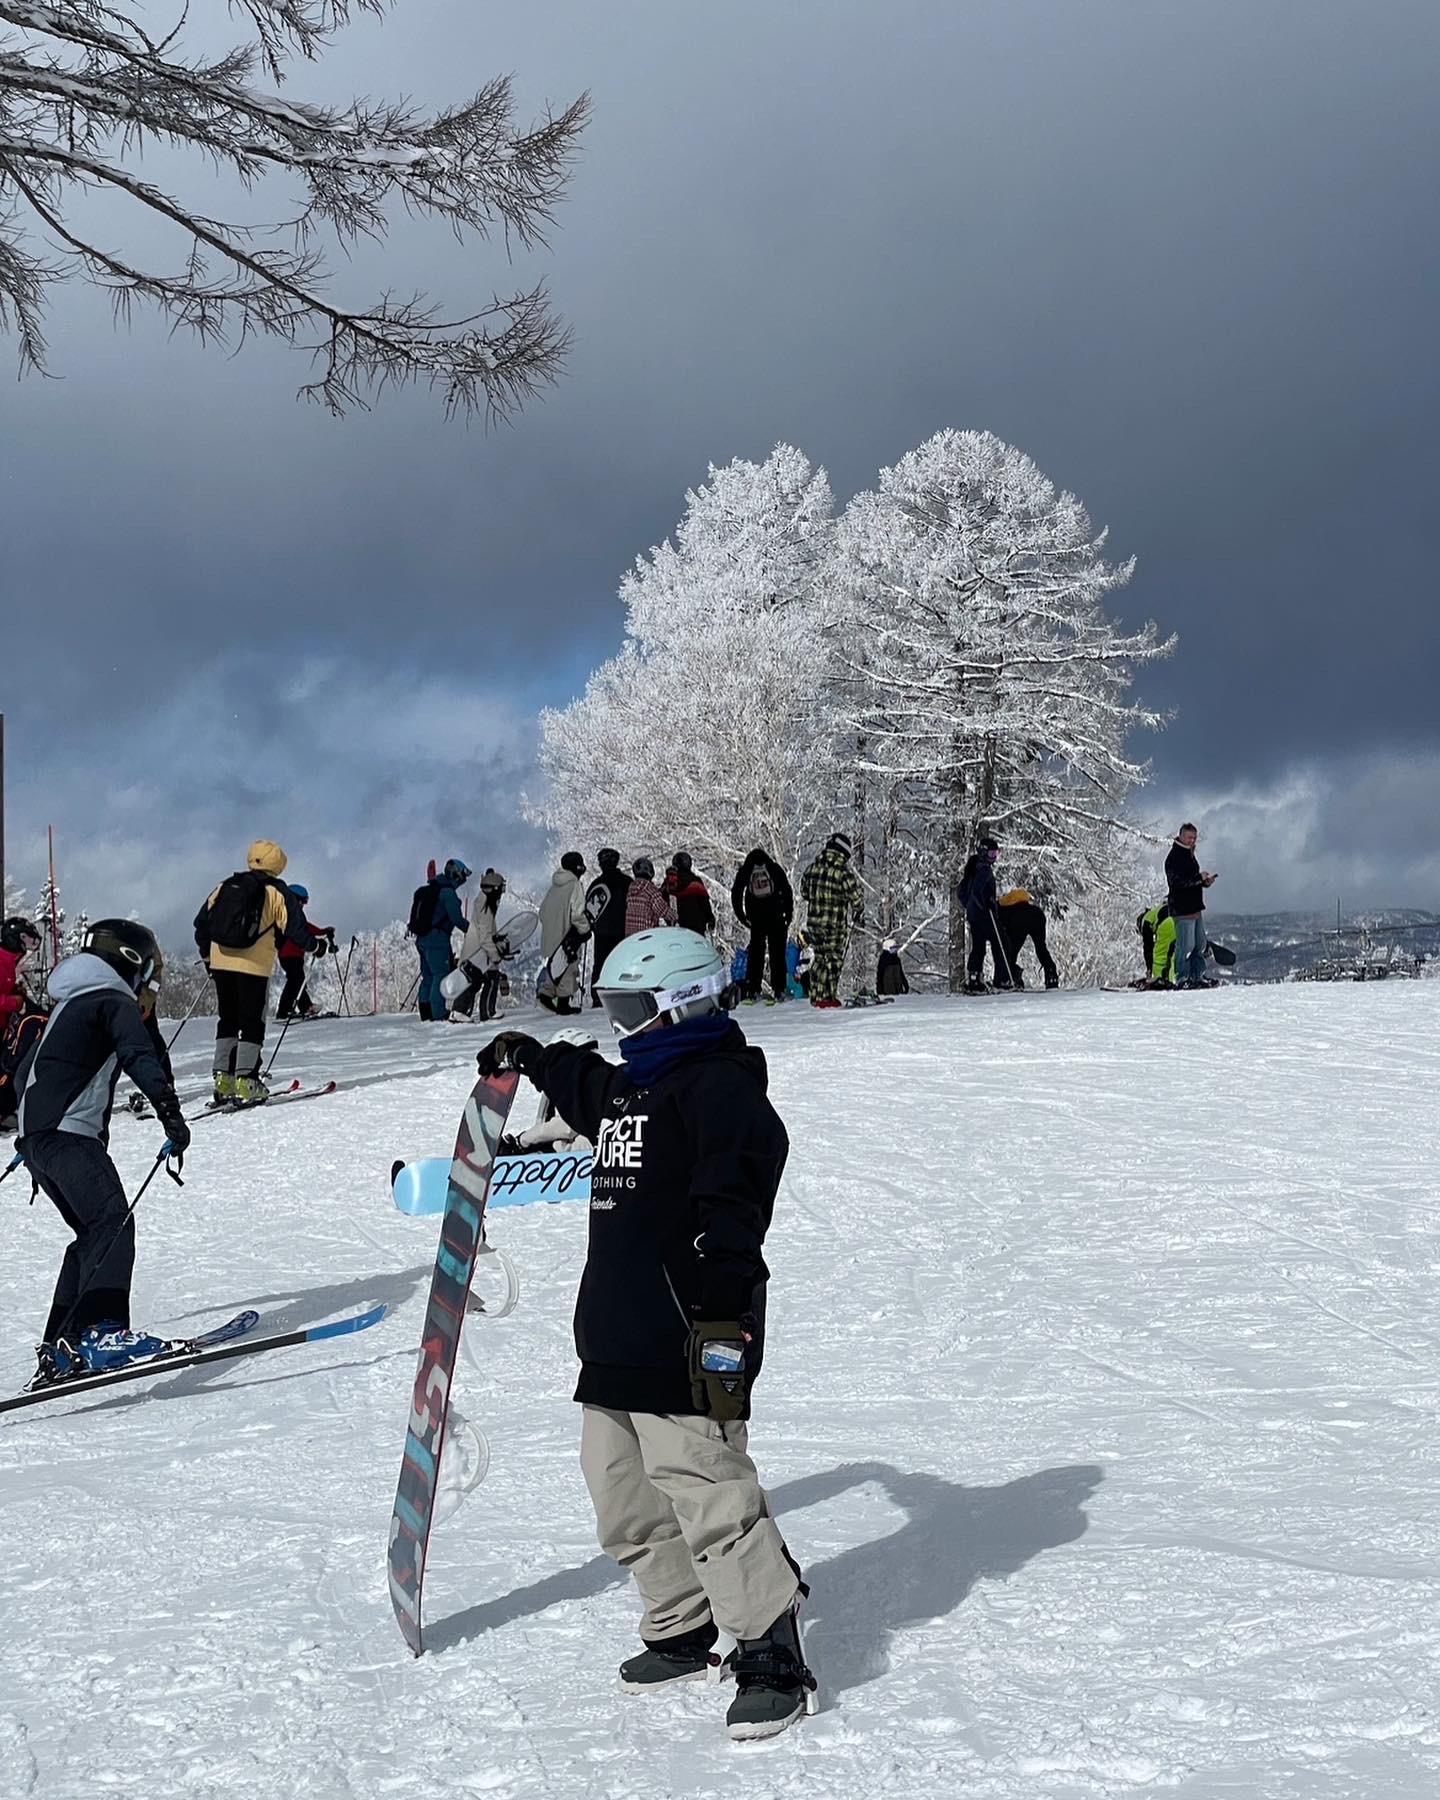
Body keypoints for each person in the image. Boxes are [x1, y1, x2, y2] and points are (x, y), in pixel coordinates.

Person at [476, 928, 816, 1742]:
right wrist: (533, 1053)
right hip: (616, 1333)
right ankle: (680, 1623)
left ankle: (770, 1649)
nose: (620, 1025)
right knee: (621, 1495)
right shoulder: (636, 1086)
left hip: (694, 1327)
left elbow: (739, 1191)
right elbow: (585, 1081)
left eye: (632, 1008)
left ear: (681, 1003)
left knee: (707, 1488)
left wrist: (721, 1290)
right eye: (614, 1007)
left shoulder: (720, 1089)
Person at [14, 920, 191, 1387]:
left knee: (91, 1234)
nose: (148, 984)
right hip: (70, 1138)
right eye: (148, 972)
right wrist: (172, 1116)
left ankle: (62, 1346)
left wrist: (28, 1142)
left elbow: (22, 1075)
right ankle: (100, 1331)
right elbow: (141, 1056)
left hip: (41, 1141)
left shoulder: (71, 1002)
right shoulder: (113, 998)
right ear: (130, 961)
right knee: (113, 1224)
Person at [194, 839, 294, 1105]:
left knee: (227, 1018)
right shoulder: (276, 891)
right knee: (252, 1021)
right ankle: (246, 1079)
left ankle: (223, 1079)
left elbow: (201, 923)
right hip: (254, 965)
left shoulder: (225, 886)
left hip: (221, 961)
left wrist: (208, 957)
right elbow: (294, 927)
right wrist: (316, 946)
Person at [799, 832, 862, 1008]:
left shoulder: (812, 869)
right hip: (834, 926)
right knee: (833, 960)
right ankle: (827, 997)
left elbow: (804, 891)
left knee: (819, 958)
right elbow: (856, 897)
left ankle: (817, 996)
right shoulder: (843, 873)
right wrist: (858, 909)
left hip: (814, 924)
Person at [410, 858, 471, 1022]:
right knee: (440, 975)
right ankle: (438, 1015)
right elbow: (457, 920)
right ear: (456, 875)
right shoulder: (447, 893)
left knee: (427, 976)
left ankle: (425, 1012)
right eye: (462, 877)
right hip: (437, 941)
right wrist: (473, 931)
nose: (463, 880)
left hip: (421, 939)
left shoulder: (431, 889)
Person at [731, 848, 794, 1005]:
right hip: (776, 916)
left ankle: (753, 990)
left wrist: (742, 916)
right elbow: (786, 890)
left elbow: (736, 893)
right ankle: (779, 990)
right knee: (777, 953)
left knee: (756, 953)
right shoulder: (773, 868)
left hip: (756, 918)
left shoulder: (747, 870)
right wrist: (788, 914)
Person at [1, 916, 46, 1130]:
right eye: (25, 940)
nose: (27, 947)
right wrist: (14, 1002)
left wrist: (15, 993)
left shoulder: (9, 961)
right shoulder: (2, 960)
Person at [450, 869, 507, 1023]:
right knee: (491, 978)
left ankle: (460, 1011)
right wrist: (495, 955)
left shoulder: (483, 903)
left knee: (474, 981)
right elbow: (485, 936)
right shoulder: (486, 907)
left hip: (476, 952)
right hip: (478, 953)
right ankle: (487, 1011)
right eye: (501, 888)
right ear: (494, 889)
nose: (502, 892)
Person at [1165, 823, 1218, 986]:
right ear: (1180, 836)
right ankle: (1183, 978)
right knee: (1185, 946)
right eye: (1189, 837)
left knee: (1200, 945)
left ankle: (1197, 976)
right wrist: (1198, 879)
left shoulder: (1189, 855)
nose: (1192, 840)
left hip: (1194, 908)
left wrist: (1204, 882)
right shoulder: (1175, 857)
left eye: (1194, 838)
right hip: (1182, 909)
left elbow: (1190, 881)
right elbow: (1177, 883)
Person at [539, 851, 590, 1014]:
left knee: (555, 965)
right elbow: (577, 913)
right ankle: (563, 1003)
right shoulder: (574, 885)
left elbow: (542, 912)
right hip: (568, 934)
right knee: (569, 966)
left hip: (551, 934)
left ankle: (546, 993)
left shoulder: (554, 886)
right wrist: (585, 929)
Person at [275, 883, 335, 1020]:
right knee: (296, 980)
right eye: (302, 901)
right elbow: (302, 929)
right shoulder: (290, 912)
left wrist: (322, 931)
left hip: (291, 954)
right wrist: (319, 935)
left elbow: (306, 927)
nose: (303, 904)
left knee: (296, 981)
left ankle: (291, 1009)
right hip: (289, 953)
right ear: (295, 899)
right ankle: (296, 1009)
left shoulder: (292, 912)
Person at [958, 836, 1009, 993]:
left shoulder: (973, 867)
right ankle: (1002, 979)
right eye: (992, 854)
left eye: (996, 854)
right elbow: (978, 891)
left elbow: (961, 892)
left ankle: (974, 977)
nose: (994, 858)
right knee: (1001, 943)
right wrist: (986, 903)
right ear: (983, 852)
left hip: (974, 916)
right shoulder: (984, 869)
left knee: (979, 947)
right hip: (985, 916)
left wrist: (970, 906)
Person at [586, 849, 632, 1007]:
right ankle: (622, 994)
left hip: (601, 932)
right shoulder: (627, 882)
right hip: (622, 930)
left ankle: (598, 997)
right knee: (622, 963)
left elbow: (589, 910)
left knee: (600, 964)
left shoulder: (596, 884)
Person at [995, 889, 1060, 990]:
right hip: (1036, 915)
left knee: (1010, 952)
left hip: (1017, 920)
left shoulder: (1000, 910)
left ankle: (1009, 978)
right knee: (1041, 947)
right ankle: (1051, 975)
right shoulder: (1011, 902)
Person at [664, 852, 716, 937]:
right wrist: (710, 918)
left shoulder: (669, 883)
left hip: (677, 926)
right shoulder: (695, 882)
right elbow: (704, 903)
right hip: (696, 927)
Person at [623, 857, 675, 936]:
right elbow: (663, 911)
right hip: (646, 936)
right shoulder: (650, 891)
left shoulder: (631, 889)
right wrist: (677, 916)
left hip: (630, 937)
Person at [1137, 903, 1177, 987]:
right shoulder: (1154, 912)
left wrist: (1149, 968)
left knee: (1159, 957)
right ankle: (1170, 980)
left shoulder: (1146, 921)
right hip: (1179, 920)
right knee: (1171, 956)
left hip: (1166, 924)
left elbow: (1148, 946)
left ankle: (1159, 981)